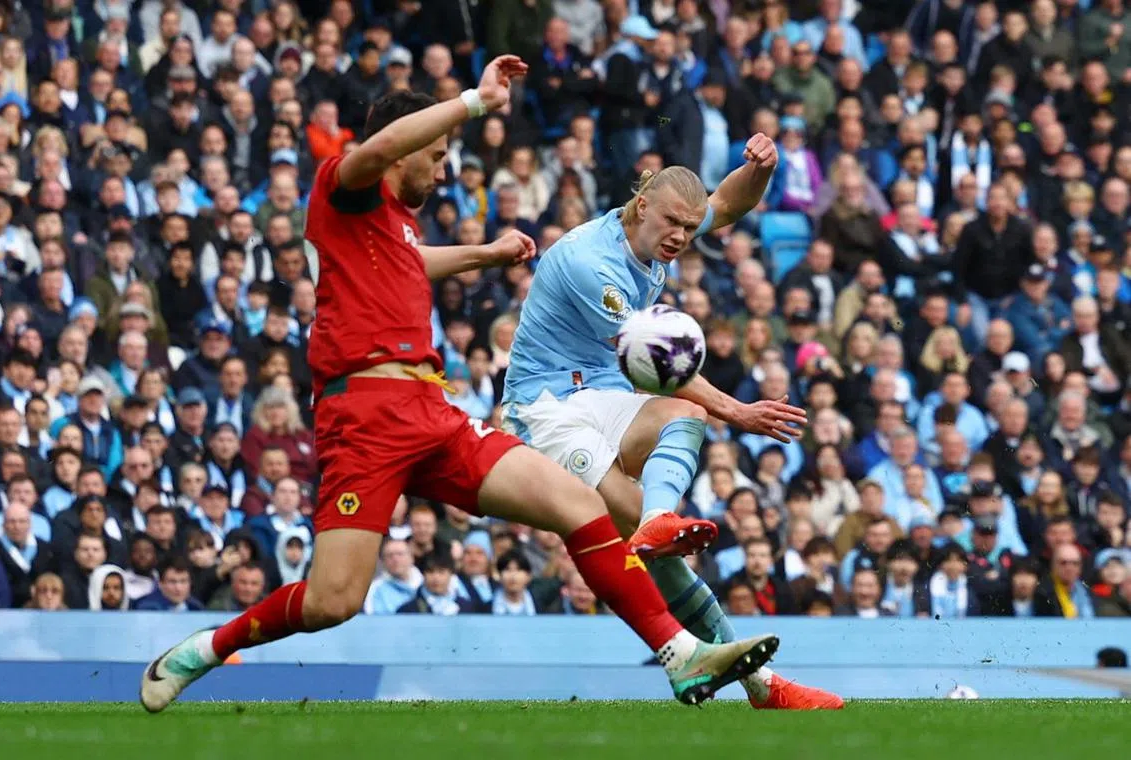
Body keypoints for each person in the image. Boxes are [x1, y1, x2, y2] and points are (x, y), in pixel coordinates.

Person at [140, 57, 777, 713]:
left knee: (578, 507)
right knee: (334, 602)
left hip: (430, 410)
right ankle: (206, 649)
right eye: (437, 155)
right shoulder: (344, 185)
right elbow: (382, 147)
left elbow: (407, 263)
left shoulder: (395, 223)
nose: (443, 169)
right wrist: (475, 100)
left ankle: (680, 655)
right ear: (405, 145)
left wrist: (483, 254)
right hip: (363, 420)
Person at [501, 136, 840, 708]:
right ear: (640, 208)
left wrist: (759, 169)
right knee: (640, 524)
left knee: (681, 424)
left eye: (689, 226)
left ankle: (662, 521)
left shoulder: (662, 230)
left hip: (601, 395)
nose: (682, 237)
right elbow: (659, 359)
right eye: (674, 224)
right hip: (546, 409)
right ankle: (761, 684)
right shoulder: (593, 264)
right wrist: (738, 411)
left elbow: (728, 205)